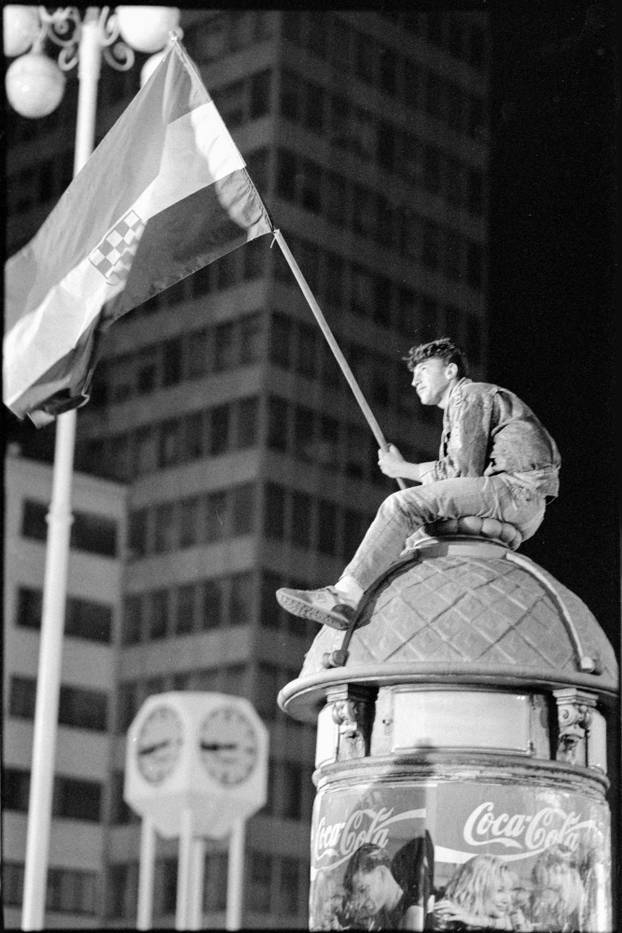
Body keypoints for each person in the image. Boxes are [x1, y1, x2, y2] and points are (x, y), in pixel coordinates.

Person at [276, 337, 561, 630]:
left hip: (515, 491)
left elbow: (461, 472)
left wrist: (402, 469)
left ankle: (345, 596)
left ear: (450, 371)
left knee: (401, 505)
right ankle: (372, 613)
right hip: (518, 502)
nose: (414, 381)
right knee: (410, 539)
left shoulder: (471, 395)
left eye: (423, 370)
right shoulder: (459, 410)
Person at [342, 835, 435, 930]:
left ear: (381, 874)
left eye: (363, 890)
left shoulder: (412, 915)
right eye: (357, 895)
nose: (361, 902)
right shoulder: (384, 915)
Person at [433, 854, 521, 931]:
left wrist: (478, 921)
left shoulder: (511, 917)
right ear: (477, 889)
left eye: (509, 891)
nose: (507, 900)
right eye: (500, 890)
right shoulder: (445, 916)